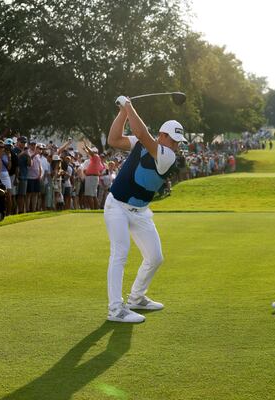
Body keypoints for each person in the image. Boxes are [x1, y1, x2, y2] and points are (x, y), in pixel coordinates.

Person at [104, 95, 187, 323]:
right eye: (173, 140)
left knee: (155, 257)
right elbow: (113, 139)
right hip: (117, 206)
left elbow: (142, 134)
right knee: (120, 254)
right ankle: (115, 309)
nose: (176, 145)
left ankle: (136, 298)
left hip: (140, 211)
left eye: (178, 142)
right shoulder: (145, 143)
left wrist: (128, 105)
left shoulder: (167, 157)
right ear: (161, 135)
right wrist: (123, 112)